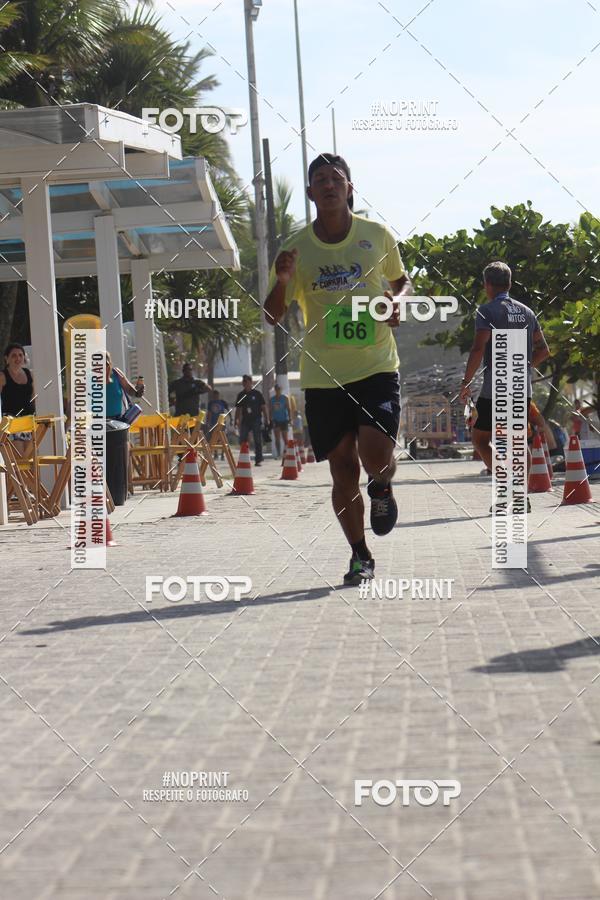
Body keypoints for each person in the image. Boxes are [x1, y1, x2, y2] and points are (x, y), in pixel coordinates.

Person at [264, 152, 412, 585]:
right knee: (342, 469)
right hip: (323, 375)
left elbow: (400, 280)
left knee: (375, 455)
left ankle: (382, 486)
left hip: (376, 365)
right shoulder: (295, 249)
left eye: (337, 178)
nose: (329, 184)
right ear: (310, 192)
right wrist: (284, 281)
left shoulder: (376, 234)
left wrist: (396, 302)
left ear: (350, 188)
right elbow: (272, 315)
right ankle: (359, 554)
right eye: (320, 179)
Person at [459, 261, 550, 511]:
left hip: (494, 390)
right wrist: (525, 365)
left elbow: (478, 348)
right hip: (521, 389)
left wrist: (466, 382)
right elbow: (544, 350)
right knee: (518, 443)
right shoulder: (527, 312)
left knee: (479, 439)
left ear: (487, 284)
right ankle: (520, 496)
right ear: (509, 283)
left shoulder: (487, 311)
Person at [0, 342, 35, 455]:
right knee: (19, 460)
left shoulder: (29, 374)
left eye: (20, 355)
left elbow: (34, 398)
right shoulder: (2, 376)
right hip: (12, 423)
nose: (18, 358)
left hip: (29, 422)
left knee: (32, 461)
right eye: (14, 355)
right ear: (7, 359)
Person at [235, 375, 268, 465]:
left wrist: (266, 419)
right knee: (243, 439)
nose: (244, 383)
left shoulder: (257, 394)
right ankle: (244, 459)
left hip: (256, 419)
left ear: (250, 382)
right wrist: (236, 420)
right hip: (245, 420)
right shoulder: (241, 395)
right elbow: (238, 409)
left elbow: (264, 407)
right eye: (243, 381)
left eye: (246, 381)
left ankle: (258, 459)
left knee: (257, 439)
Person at [105, 352, 144, 418]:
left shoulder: (116, 373)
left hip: (116, 422)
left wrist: (138, 390)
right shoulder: (88, 379)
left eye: (105, 364)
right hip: (96, 423)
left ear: (110, 364)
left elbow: (130, 390)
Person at [269, 383, 291, 458]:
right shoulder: (272, 399)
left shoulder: (285, 398)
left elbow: (288, 408)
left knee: (285, 438)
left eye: (279, 389)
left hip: (284, 420)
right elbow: (270, 410)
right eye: (276, 389)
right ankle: (278, 453)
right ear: (275, 390)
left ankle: (286, 453)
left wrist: (290, 418)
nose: (278, 391)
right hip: (276, 420)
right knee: (277, 438)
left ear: (281, 390)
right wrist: (270, 419)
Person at [206, 389, 229, 459]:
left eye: (216, 395)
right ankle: (215, 453)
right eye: (214, 395)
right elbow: (209, 413)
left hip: (221, 423)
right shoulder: (210, 403)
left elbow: (227, 411)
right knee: (214, 438)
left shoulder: (222, 402)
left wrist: (229, 420)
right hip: (213, 423)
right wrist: (208, 422)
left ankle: (222, 454)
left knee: (222, 439)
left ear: (218, 395)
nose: (215, 396)